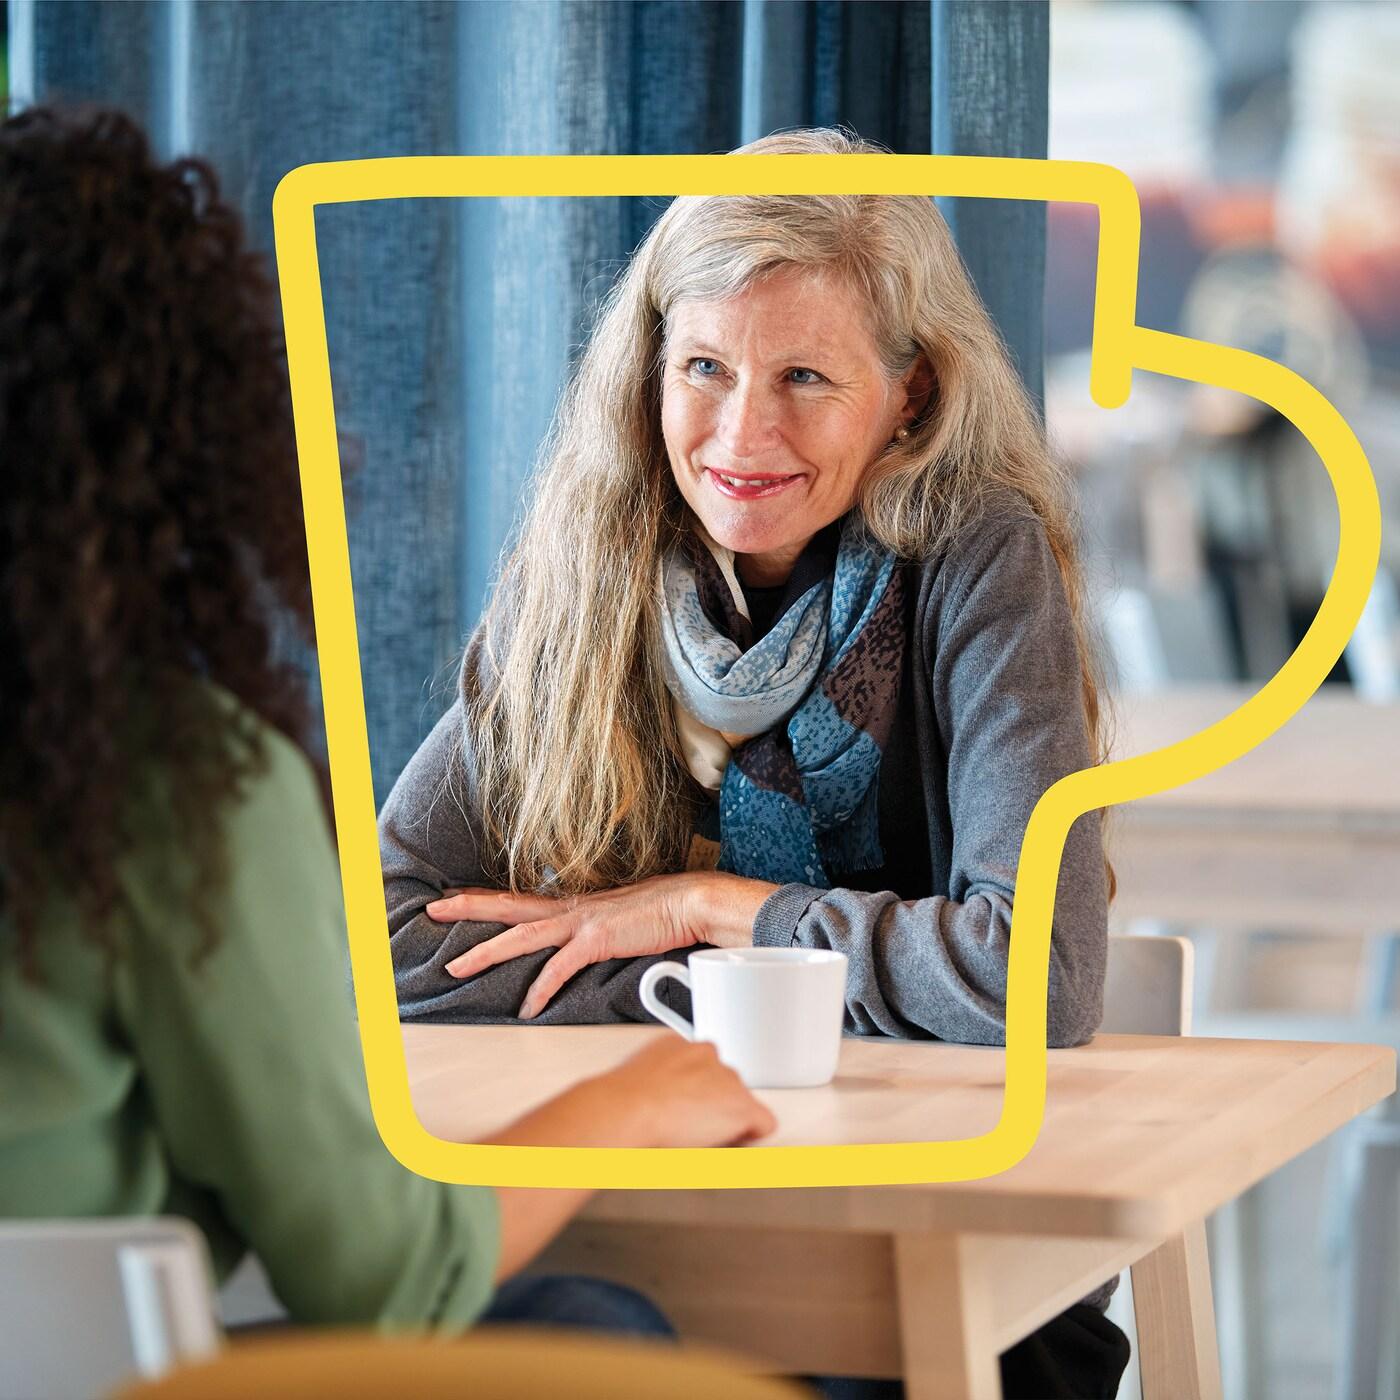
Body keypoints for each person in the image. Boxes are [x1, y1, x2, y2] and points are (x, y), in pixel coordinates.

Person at [0, 105, 775, 1343]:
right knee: (601, 1326)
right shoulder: (162, 785)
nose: (743, 428)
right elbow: (384, 1275)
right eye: (703, 368)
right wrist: (631, 1099)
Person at [381, 128, 1129, 1396]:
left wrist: (709, 912)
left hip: (937, 1243)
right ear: (648, 373)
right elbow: (383, 939)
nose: (740, 432)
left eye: (805, 378)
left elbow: (1034, 977)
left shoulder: (975, 561)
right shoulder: (587, 566)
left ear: (912, 397)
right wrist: (706, 1009)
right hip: (663, 1225)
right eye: (704, 366)